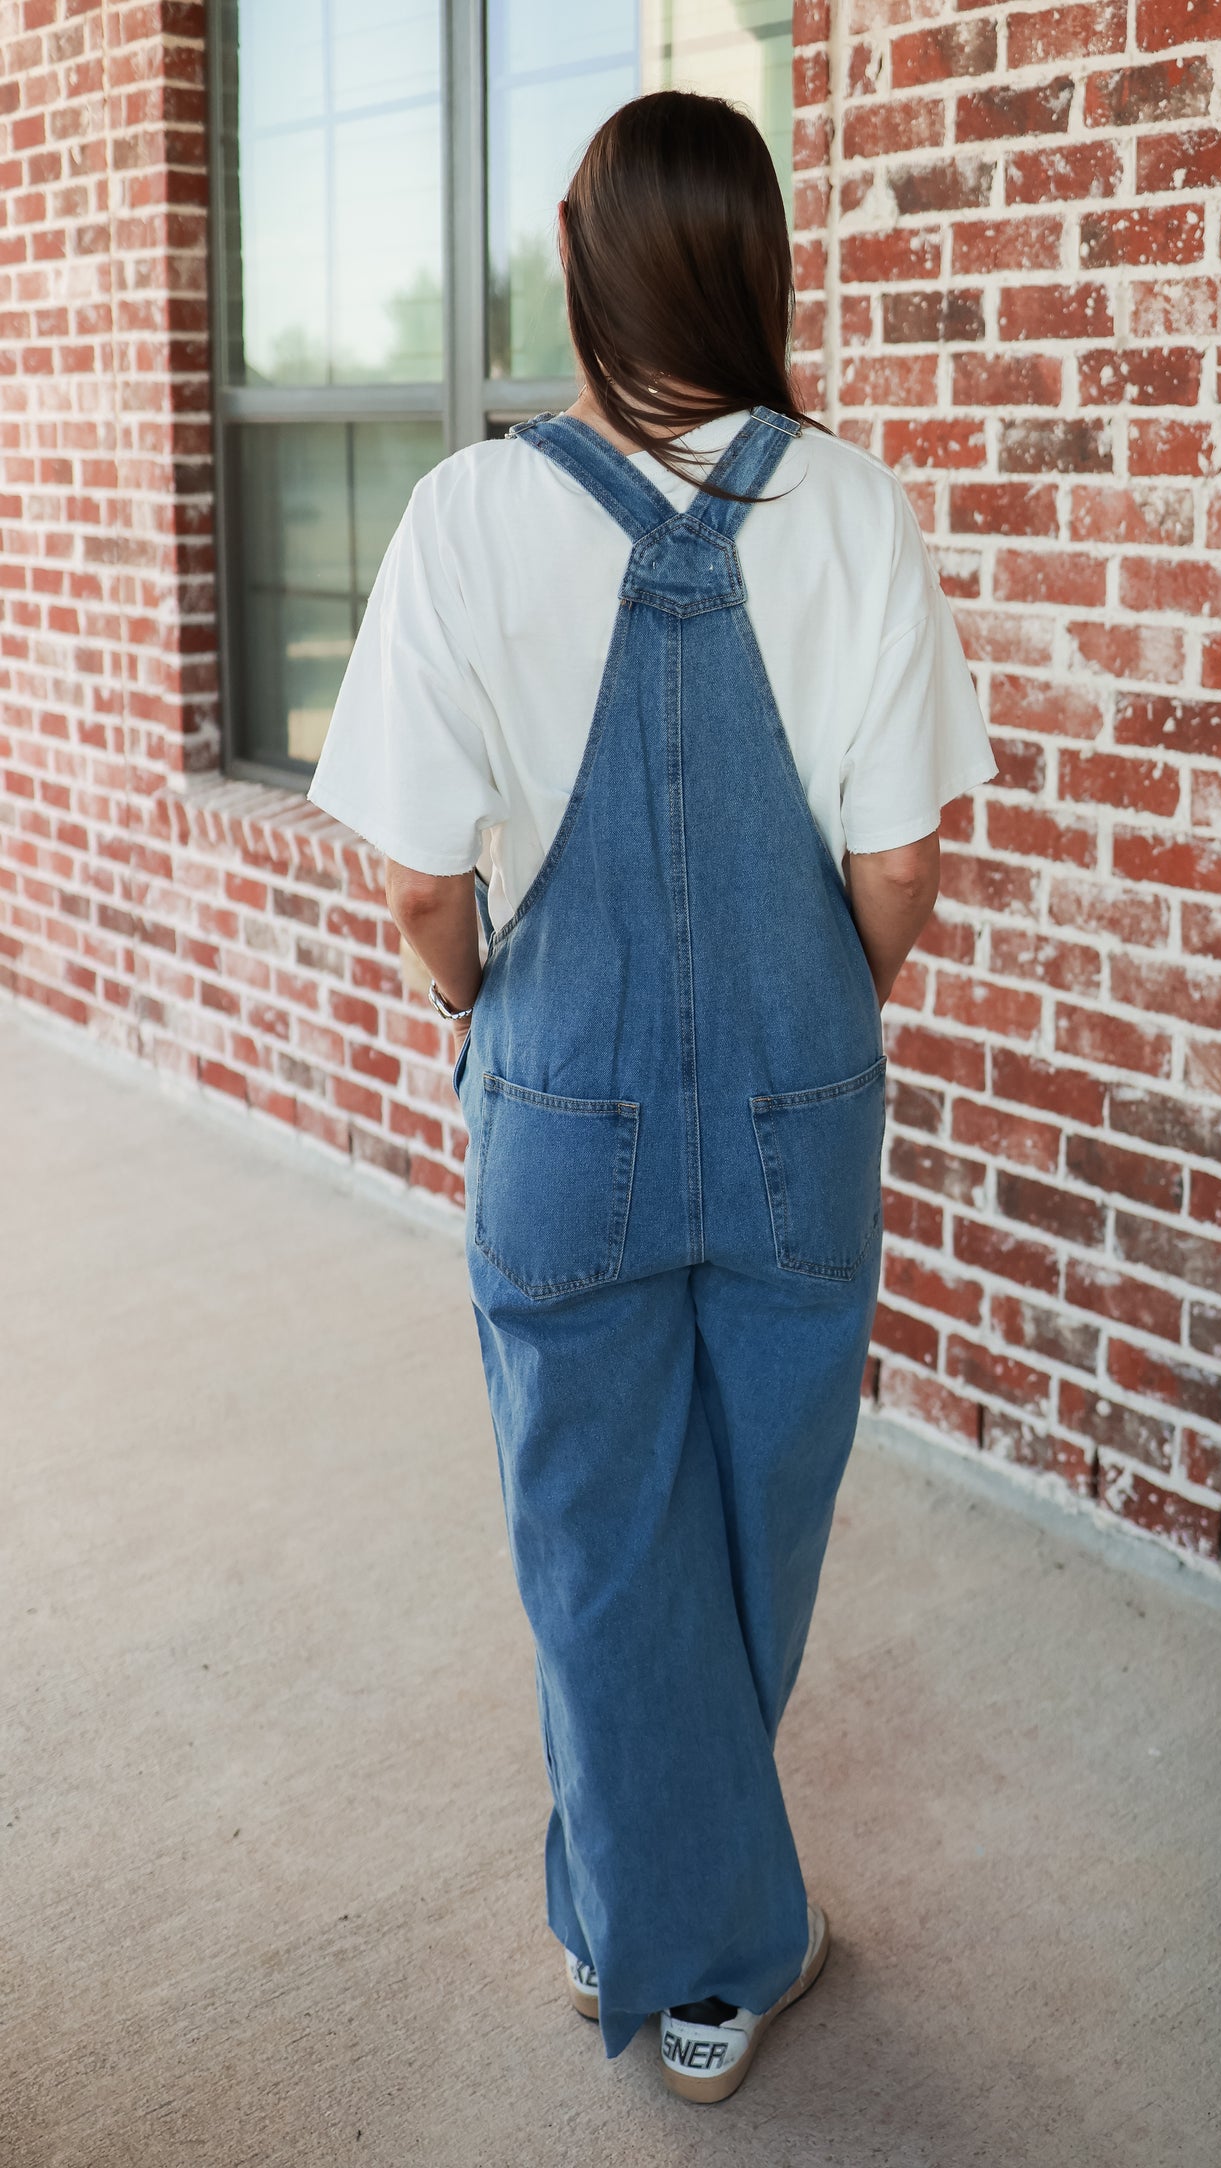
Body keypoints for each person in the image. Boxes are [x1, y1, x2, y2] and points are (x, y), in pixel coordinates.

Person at [307, 88, 995, 2103]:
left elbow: (425, 880)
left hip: (563, 1110)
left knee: (607, 1553)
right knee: (748, 1541)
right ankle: (724, 1936)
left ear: (575, 253)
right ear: (756, 260)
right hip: (804, 1102)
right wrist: (815, 1015)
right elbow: (897, 868)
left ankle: (656, 1915)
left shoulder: (466, 515)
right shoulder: (852, 509)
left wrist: (495, 1006)